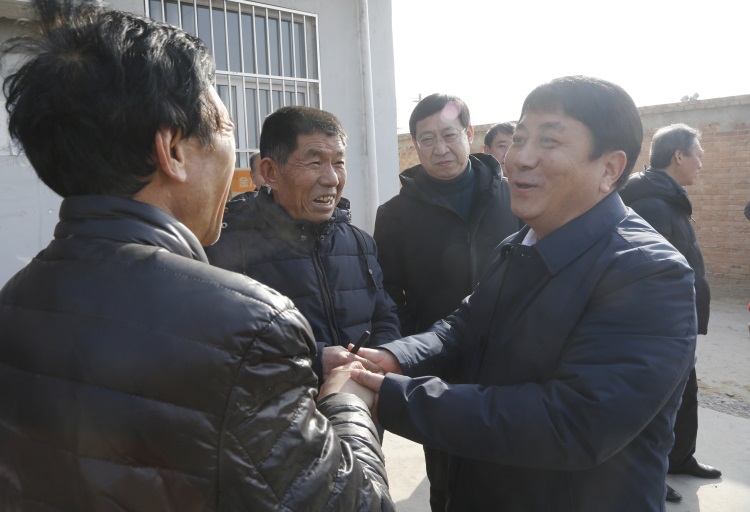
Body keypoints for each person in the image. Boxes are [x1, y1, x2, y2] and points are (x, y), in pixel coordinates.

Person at [0, 1, 393, 510]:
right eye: (225, 129)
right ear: (173, 152)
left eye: (338, 162)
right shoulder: (248, 324)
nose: (331, 178)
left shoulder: (15, 301)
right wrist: (344, 400)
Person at [353, 76, 697, 511]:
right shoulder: (521, 243)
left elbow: (571, 424)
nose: (519, 158)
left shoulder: (647, 273)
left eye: (548, 141)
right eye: (518, 139)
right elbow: (464, 326)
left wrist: (393, 396)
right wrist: (395, 357)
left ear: (610, 168)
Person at [373, 93, 519, 511]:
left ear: (469, 134)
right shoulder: (395, 214)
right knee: (447, 479)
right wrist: (418, 344)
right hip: (440, 367)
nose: (440, 149)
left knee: (513, 474)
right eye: (428, 139)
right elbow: (387, 292)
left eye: (450, 135)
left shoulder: (514, 197)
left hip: (513, 361)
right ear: (414, 145)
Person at [205, 105, 400, 384]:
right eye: (315, 163)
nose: (332, 179)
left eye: (339, 163)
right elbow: (221, 343)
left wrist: (378, 361)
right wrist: (316, 361)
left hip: (362, 401)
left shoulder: (359, 243)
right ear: (271, 172)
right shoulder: (225, 247)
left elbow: (384, 316)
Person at [619, 123, 721, 503]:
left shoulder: (670, 198)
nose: (701, 164)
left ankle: (680, 458)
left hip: (679, 323)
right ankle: (649, 473)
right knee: (655, 403)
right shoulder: (650, 204)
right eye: (698, 155)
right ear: (678, 156)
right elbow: (646, 274)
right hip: (658, 327)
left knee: (685, 393)